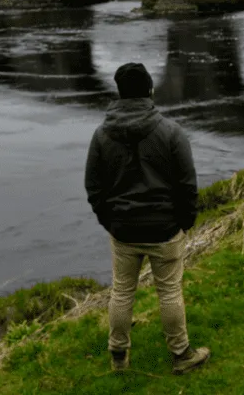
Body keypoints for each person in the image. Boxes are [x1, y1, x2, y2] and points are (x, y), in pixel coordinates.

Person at [84, 62, 211, 375]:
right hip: (165, 229)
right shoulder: (171, 132)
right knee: (169, 292)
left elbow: (94, 187)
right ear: (149, 91)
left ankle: (118, 355)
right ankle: (181, 355)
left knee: (121, 291)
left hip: (123, 230)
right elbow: (187, 184)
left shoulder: (101, 136)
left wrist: (109, 221)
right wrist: (184, 221)